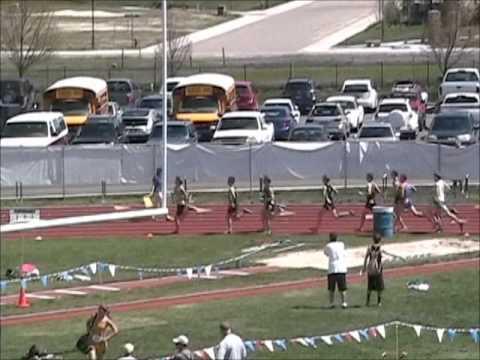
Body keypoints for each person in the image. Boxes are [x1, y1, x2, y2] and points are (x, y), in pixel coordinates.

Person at [323, 233, 348, 309]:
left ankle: (331, 303)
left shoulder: (328, 246)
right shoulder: (341, 244)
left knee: (331, 288)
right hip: (341, 268)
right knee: (342, 288)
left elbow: (326, 253)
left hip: (332, 268)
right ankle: (343, 302)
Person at [360, 233, 384, 307]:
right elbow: (380, 260)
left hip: (370, 268)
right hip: (377, 268)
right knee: (379, 286)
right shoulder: (380, 248)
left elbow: (366, 258)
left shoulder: (369, 248)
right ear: (380, 240)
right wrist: (379, 269)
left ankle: (367, 301)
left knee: (369, 285)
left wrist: (364, 267)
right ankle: (379, 302)